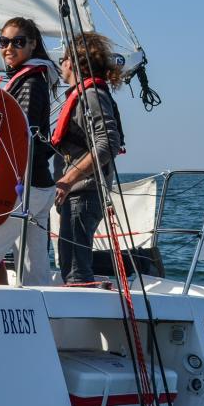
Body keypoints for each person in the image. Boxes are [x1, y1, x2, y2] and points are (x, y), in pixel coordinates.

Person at [0, 19, 61, 285]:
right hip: (39, 185)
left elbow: (21, 133)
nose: (8, 48)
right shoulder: (35, 77)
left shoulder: (30, 82)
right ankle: (37, 308)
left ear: (32, 45)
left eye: (17, 42)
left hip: (25, 187)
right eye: (3, 42)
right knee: (33, 265)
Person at [52, 30, 124, 286]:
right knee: (71, 265)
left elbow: (108, 143)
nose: (61, 65)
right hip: (79, 195)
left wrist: (67, 179)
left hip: (82, 195)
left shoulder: (91, 95)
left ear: (72, 62)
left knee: (75, 271)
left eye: (62, 59)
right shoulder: (85, 94)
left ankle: (81, 307)